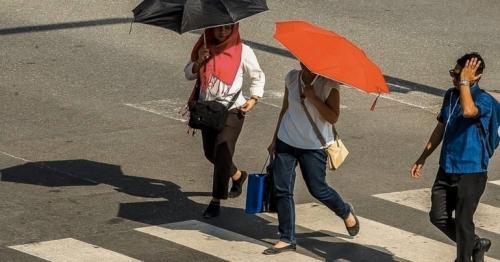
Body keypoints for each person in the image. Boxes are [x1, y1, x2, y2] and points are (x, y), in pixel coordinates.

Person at [264, 63, 359, 255]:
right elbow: (285, 109)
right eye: (303, 60)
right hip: (286, 140)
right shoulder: (291, 77)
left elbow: (332, 117)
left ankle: (345, 211)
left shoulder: (329, 85)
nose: (306, 64)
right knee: (282, 189)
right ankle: (287, 237)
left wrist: (313, 98)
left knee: (318, 189)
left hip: (314, 147)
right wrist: (274, 139)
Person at [411, 53, 494, 262]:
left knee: (464, 222)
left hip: (471, 171)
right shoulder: (450, 95)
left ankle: (464, 258)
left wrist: (465, 83)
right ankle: (475, 244)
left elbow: (468, 111)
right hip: (447, 167)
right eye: (454, 74)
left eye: (460, 76)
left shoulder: (484, 100)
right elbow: (441, 127)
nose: (455, 79)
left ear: (476, 77)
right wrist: (423, 156)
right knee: (437, 216)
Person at [184, 24, 265, 218]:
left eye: (228, 28)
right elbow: (188, 73)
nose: (223, 32)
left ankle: (216, 199)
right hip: (208, 110)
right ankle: (238, 175)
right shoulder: (203, 47)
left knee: (222, 150)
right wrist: (198, 62)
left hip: (233, 110)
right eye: (219, 28)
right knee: (211, 154)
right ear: (211, 29)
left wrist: (254, 98)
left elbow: (258, 75)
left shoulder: (243, 51)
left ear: (234, 29)